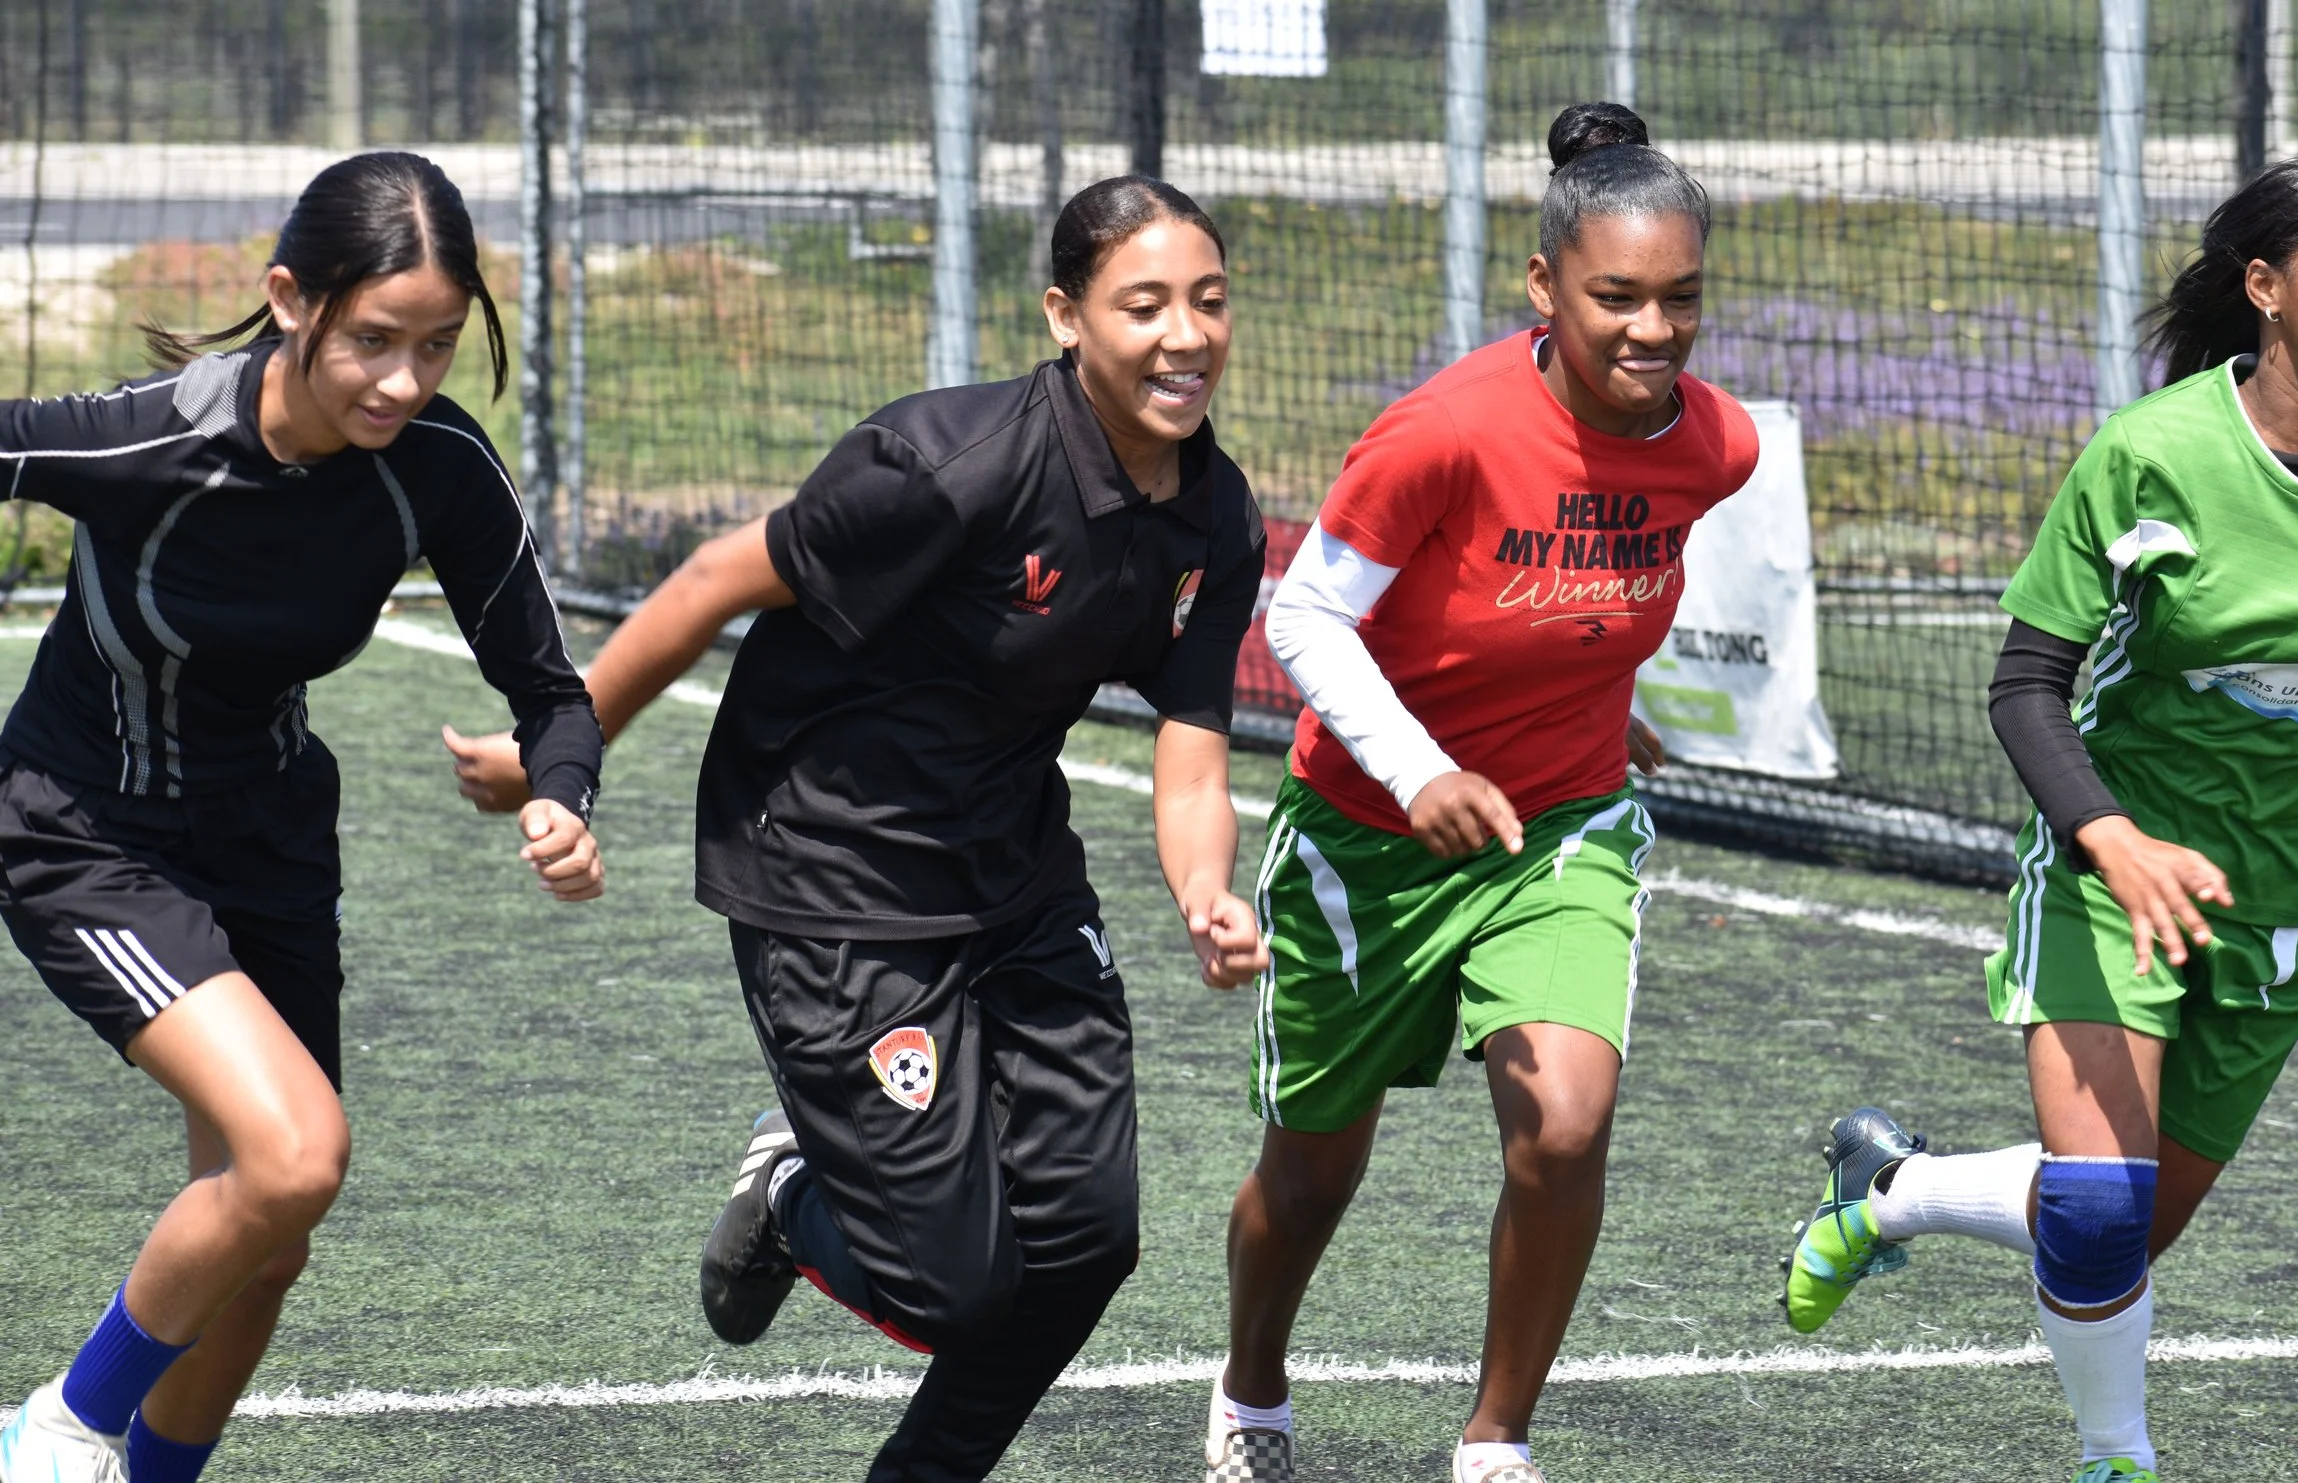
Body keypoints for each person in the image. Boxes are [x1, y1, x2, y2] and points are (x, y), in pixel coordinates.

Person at [444, 175, 1268, 1482]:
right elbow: (720, 574)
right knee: (953, 1286)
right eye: (1145, 304)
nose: (1186, 336)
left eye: (1210, 301)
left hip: (1015, 876)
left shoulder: (1214, 518)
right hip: (828, 869)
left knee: (1086, 1240)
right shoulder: (951, 467)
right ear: (1066, 315)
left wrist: (1208, 894)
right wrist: (561, 747)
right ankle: (790, 1187)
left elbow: (1190, 755)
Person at [1779, 157, 2298, 1483]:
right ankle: (2119, 1458)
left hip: (2294, 897)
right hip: (2114, 868)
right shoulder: (2153, 452)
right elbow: (2025, 685)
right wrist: (2110, 837)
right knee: (2101, 1215)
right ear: (2267, 288)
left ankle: (1890, 1189)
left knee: (2119, 1230)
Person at [0, 151, 605, 1483]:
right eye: (374, 339)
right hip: (86, 831)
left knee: (272, 1235)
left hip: (268, 840)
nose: (403, 378)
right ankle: (59, 1431)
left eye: (436, 345)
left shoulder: (436, 466)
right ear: (292, 300)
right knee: (297, 1152)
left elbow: (551, 693)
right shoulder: (157, 439)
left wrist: (561, 796)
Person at [1203, 103, 1757, 1483]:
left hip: (1558, 826)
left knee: (1564, 1125)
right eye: (1616, 297)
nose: (1653, 330)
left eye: (1681, 299)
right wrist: (1423, 765)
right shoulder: (1441, 431)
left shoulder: (1719, 446)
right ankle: (1252, 1386)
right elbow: (1306, 620)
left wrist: (1602, 712)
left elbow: (1601, 586)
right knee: (1313, 1169)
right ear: (1544, 286)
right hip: (1365, 839)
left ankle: (1496, 1441)